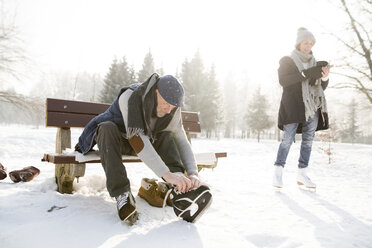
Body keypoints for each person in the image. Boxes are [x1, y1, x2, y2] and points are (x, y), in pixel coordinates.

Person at [76, 73, 211, 224]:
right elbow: (138, 140)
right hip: (115, 140)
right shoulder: (130, 97)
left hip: (144, 141)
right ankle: (122, 194)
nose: (168, 111)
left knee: (167, 136)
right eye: (166, 104)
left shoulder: (171, 108)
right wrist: (166, 174)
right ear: (156, 92)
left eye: (172, 107)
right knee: (107, 128)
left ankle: (179, 190)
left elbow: (181, 138)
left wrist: (193, 173)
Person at [273, 27, 330, 189]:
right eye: (306, 42)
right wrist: (305, 74)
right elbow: (284, 81)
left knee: (308, 141)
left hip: (311, 107)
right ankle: (278, 172)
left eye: (311, 43)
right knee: (287, 139)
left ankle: (302, 174)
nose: (308, 46)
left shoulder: (314, 62)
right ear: (299, 43)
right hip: (292, 106)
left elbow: (320, 88)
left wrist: (325, 77)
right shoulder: (287, 60)